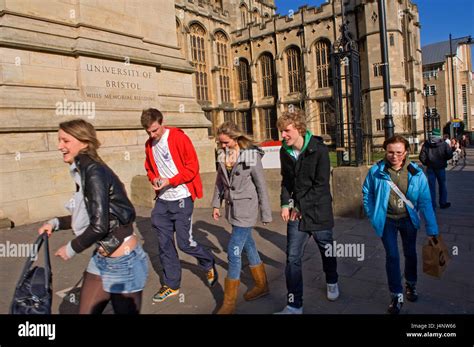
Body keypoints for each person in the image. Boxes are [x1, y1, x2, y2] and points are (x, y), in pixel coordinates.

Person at [38, 119, 148, 314]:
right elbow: (88, 215)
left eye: (65, 141)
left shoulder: (93, 171)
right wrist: (55, 223)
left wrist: (72, 248)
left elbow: (99, 226)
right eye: (59, 140)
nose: (59, 146)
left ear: (84, 142)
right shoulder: (83, 170)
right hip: (101, 257)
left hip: (123, 262)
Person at [141, 108, 217, 303]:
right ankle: (171, 285)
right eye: (148, 132)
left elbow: (193, 168)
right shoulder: (149, 145)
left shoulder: (178, 138)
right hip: (162, 200)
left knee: (184, 243)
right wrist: (154, 179)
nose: (152, 135)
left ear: (162, 122)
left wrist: (170, 181)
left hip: (182, 197)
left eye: (155, 130)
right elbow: (149, 167)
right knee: (164, 244)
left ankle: (207, 261)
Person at [363, 135, 439, 314]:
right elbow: (367, 194)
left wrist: (432, 229)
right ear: (385, 151)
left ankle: (411, 284)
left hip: (408, 219)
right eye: (390, 152)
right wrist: (373, 215)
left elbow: (425, 201)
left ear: (405, 152)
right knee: (392, 256)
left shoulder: (416, 173)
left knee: (410, 253)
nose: (394, 156)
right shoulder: (376, 171)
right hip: (387, 220)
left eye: (398, 152)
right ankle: (396, 294)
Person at [275, 111, 339, 315]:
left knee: (326, 250)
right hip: (296, 213)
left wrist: (299, 207)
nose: (283, 135)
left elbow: (321, 186)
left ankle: (332, 280)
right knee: (292, 257)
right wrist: (285, 203)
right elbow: (286, 181)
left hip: (318, 211)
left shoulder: (319, 150)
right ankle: (294, 305)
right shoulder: (284, 152)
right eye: (281, 131)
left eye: (287, 130)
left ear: (299, 128)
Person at [211, 122, 272, 314]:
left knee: (233, 251)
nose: (223, 146)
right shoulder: (222, 155)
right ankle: (262, 285)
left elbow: (261, 185)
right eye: (220, 143)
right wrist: (215, 204)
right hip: (232, 209)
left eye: (226, 142)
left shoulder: (251, 156)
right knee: (249, 245)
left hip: (247, 208)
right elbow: (220, 181)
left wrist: (266, 213)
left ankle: (229, 303)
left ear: (236, 139)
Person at [419, 128, 453, 209]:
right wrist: (444, 159)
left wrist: (427, 163)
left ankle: (432, 204)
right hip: (441, 168)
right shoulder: (444, 144)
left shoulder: (426, 144)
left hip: (430, 168)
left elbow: (421, 157)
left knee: (431, 187)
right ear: (439, 135)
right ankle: (443, 203)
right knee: (442, 185)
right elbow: (450, 155)